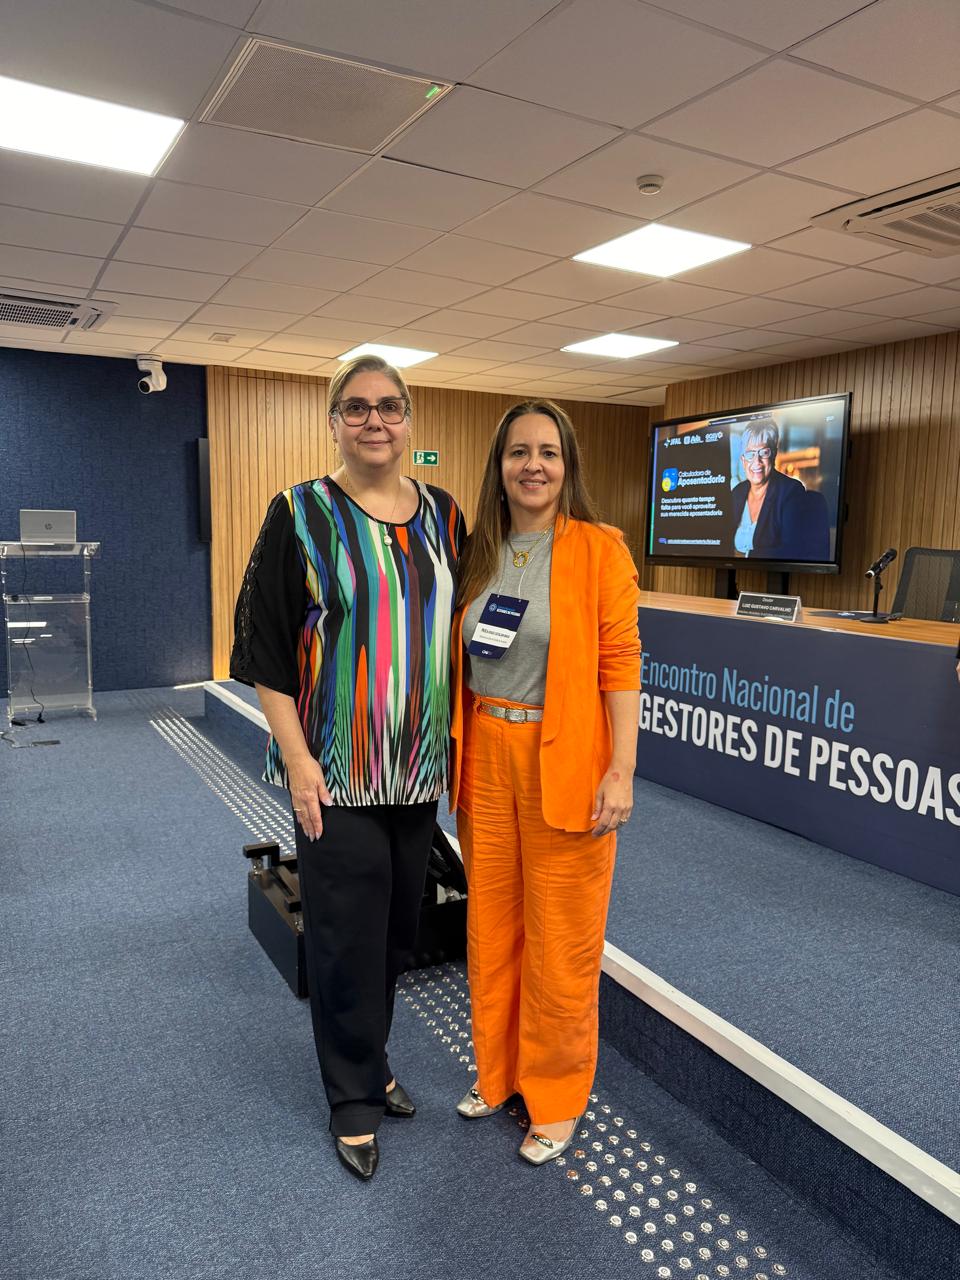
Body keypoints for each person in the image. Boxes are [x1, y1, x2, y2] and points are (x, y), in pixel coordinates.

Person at [230, 355, 465, 1181]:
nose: (376, 421)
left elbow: (457, 634)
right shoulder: (299, 513)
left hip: (418, 769)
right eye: (358, 407)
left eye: (390, 407)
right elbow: (262, 650)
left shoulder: (443, 513)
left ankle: (375, 1060)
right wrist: (296, 761)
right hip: (335, 771)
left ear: (409, 420)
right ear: (333, 419)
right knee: (343, 937)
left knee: (400, 931)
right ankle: (352, 1098)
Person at [449, 399, 641, 1165]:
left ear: (569, 467)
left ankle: (556, 1097)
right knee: (493, 928)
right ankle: (498, 1074)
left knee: (561, 940)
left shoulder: (600, 549)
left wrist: (621, 768)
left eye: (549, 453)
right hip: (485, 758)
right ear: (498, 466)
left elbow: (621, 664)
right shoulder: (478, 551)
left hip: (564, 758)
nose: (534, 465)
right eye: (519, 452)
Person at [728, 418, 830, 561]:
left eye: (764, 452)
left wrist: (745, 557)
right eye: (750, 454)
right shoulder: (737, 492)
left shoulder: (791, 491)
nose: (756, 462)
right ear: (743, 460)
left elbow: (792, 550)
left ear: (774, 454)